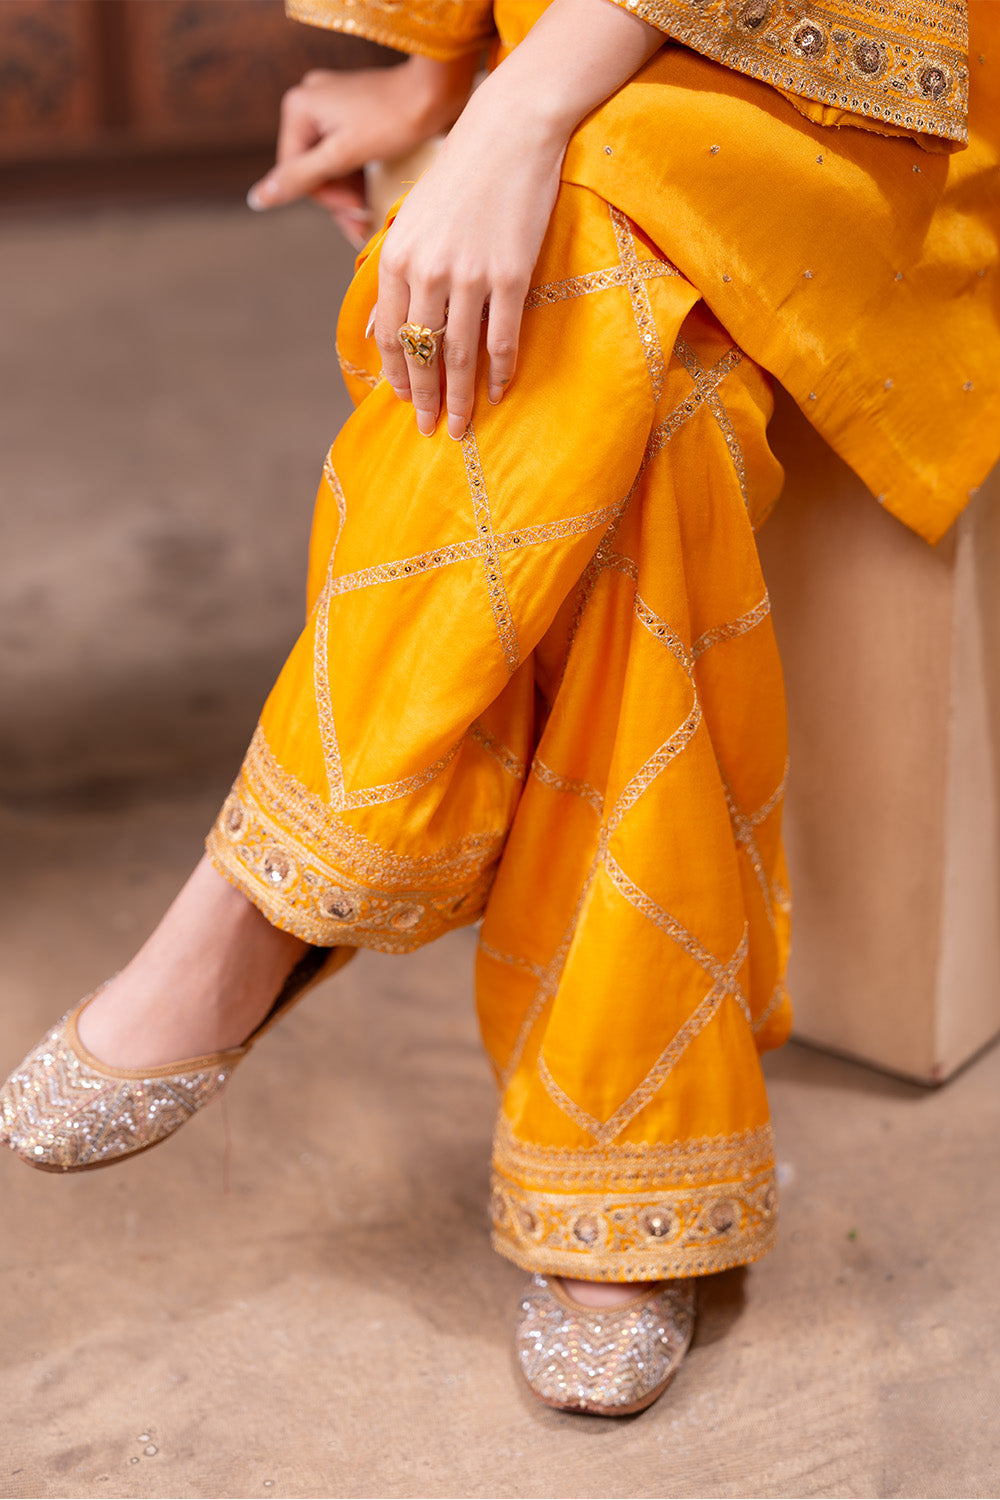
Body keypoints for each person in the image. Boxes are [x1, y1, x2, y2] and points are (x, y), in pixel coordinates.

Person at [1, 0, 997, 1418]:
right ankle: (624, 1160)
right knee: (656, 397)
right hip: (603, 43)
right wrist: (441, 71)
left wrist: (517, 115)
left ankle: (274, 893)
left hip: (878, 71)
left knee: (581, 227)